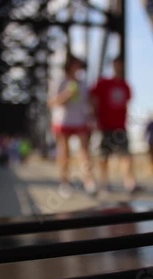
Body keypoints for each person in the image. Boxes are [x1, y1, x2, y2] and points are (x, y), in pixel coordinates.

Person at [91, 56, 140, 195]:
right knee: (104, 156)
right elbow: (94, 99)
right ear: (113, 65)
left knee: (126, 154)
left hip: (120, 126)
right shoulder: (103, 83)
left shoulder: (126, 85)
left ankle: (130, 182)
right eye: (116, 64)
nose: (118, 67)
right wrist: (95, 118)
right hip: (104, 125)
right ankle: (104, 183)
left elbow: (127, 104)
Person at [48, 56, 95, 192]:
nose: (78, 68)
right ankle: (64, 182)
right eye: (76, 65)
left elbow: (89, 103)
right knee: (64, 152)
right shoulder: (59, 81)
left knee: (85, 151)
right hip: (63, 121)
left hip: (81, 120)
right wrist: (66, 95)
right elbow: (51, 102)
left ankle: (89, 180)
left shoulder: (83, 84)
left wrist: (91, 117)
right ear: (70, 66)